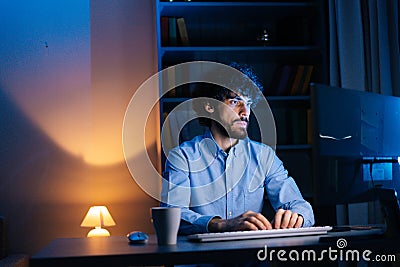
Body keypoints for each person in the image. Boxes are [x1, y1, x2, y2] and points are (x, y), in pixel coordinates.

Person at [161, 63, 314, 235]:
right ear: (209, 106)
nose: (245, 112)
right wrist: (222, 224)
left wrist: (297, 216)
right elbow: (172, 215)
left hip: (253, 259)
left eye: (248, 103)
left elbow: (299, 206)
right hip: (201, 259)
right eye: (235, 101)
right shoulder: (182, 157)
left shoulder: (264, 156)